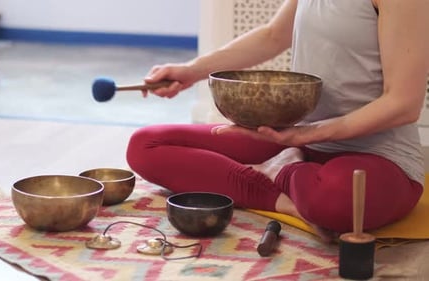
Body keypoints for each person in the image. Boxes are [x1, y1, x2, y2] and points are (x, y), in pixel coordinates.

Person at [126, 0, 429, 241]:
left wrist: (308, 135)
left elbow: (403, 104)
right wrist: (191, 70)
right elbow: (273, 35)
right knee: (146, 145)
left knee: (337, 201)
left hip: (378, 157)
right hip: (301, 141)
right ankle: (286, 191)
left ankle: (284, 173)